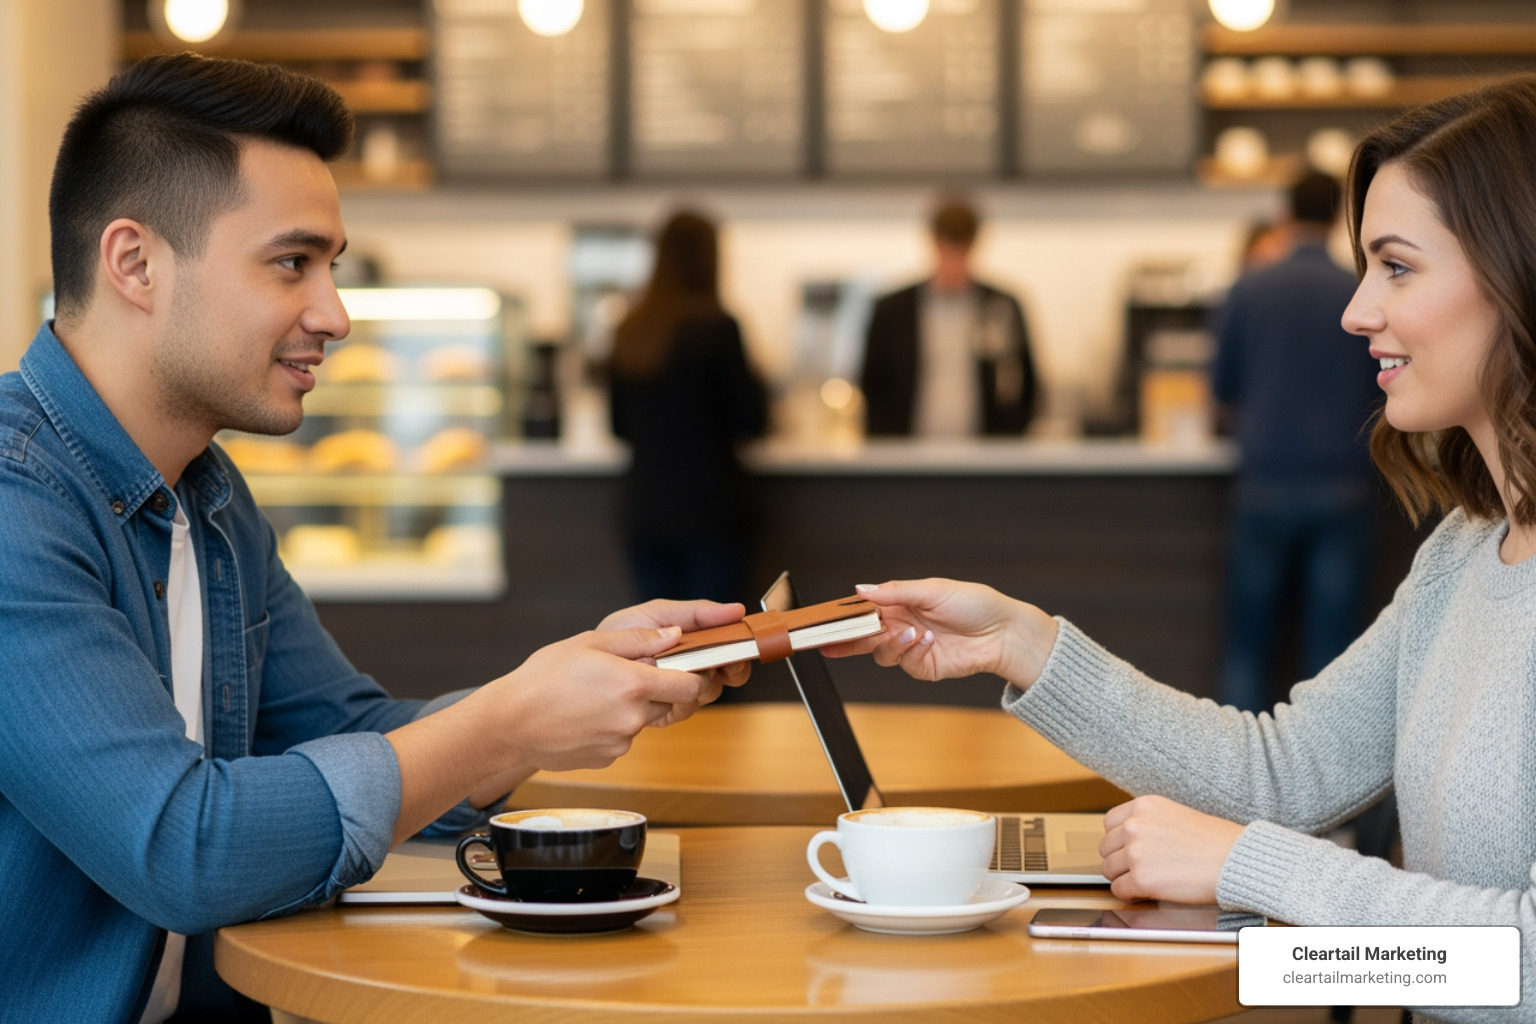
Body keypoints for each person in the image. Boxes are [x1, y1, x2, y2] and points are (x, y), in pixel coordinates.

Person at [0, 55, 748, 1021]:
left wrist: (570, 680)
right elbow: (182, 846)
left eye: (333, 268)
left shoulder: (212, 501)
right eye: (290, 263)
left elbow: (354, 736)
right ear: (135, 263)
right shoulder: (17, 498)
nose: (334, 315)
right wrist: (511, 721)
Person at [833, 75, 1536, 1021]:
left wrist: (1250, 868)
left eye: (1397, 267)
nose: (1355, 311)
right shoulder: (1466, 551)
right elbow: (1281, 775)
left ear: (1517, 273)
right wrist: (1026, 643)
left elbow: (1525, 973)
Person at [1211, 170, 1383, 713]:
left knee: (1247, 649)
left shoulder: (1248, 288)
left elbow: (1222, 388)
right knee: (1333, 655)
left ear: (1284, 214)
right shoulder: (1359, 292)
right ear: (1339, 218)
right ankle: (1331, 795)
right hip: (1344, 488)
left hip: (1264, 484)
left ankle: (1229, 790)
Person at [608, 209, 768, 606]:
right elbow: (751, 421)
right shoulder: (718, 327)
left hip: (646, 510)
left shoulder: (631, 328)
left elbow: (619, 426)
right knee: (713, 646)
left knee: (659, 644)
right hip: (710, 512)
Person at [859, 197, 1038, 438]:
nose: (953, 264)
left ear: (975, 246)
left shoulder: (1000, 306)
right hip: (905, 453)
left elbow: (1027, 382)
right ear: (932, 244)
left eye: (961, 253)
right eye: (947, 251)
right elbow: (870, 382)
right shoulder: (892, 310)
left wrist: (1011, 436)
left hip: (986, 454)